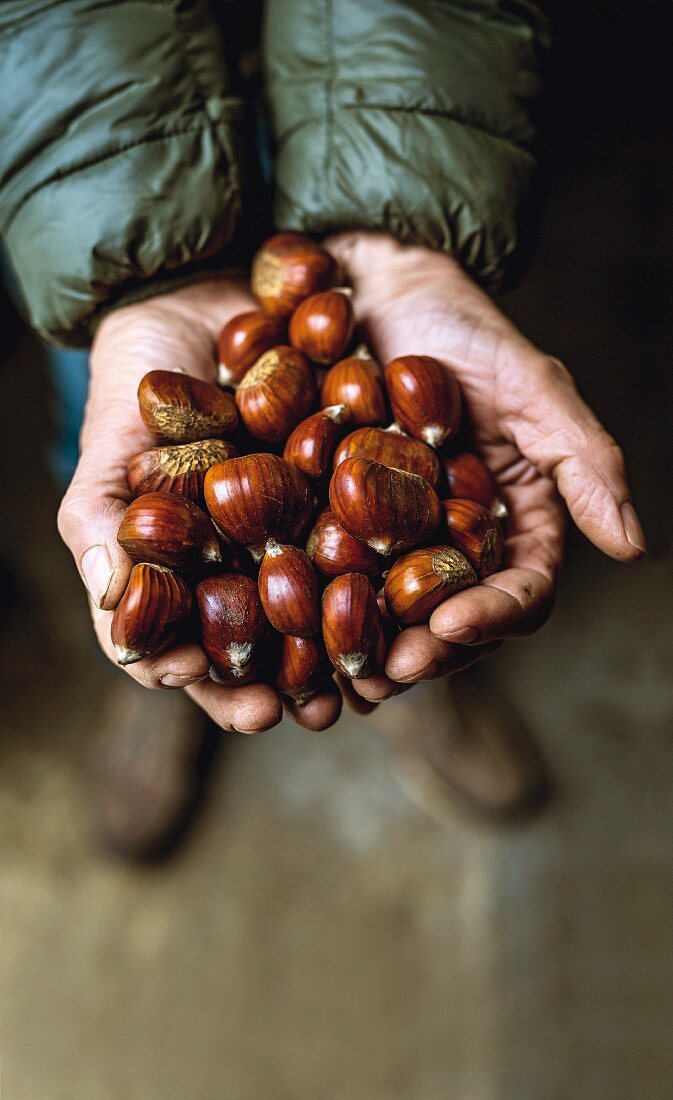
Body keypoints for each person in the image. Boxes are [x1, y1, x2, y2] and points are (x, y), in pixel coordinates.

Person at [0, 1, 644, 856]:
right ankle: (170, 653)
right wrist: (137, 267)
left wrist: (400, 226)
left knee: (380, 625)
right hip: (106, 148)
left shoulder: (330, 444)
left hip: (370, 90)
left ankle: (384, 648)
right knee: (105, 414)